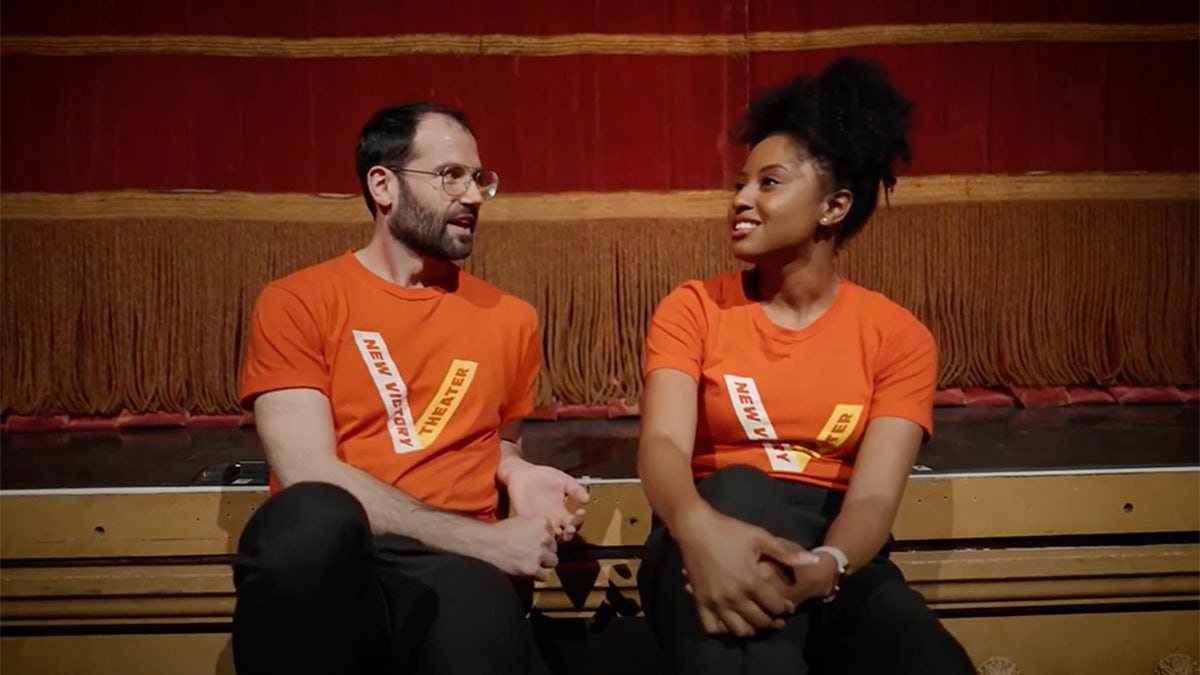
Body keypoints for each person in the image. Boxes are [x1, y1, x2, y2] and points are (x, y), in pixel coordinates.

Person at [635, 57, 975, 674]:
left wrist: (828, 567)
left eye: (769, 183)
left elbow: (872, 499)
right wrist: (697, 529)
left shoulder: (899, 336)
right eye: (740, 183)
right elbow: (660, 443)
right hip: (705, 535)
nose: (740, 198)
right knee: (742, 488)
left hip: (828, 553)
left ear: (833, 206)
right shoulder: (693, 307)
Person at [230, 101, 588, 675]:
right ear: (383, 185)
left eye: (479, 179)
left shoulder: (509, 317)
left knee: (478, 621)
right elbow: (309, 474)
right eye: (450, 176)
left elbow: (496, 439)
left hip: (458, 569)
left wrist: (518, 473)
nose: (472, 196)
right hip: (344, 561)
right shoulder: (298, 302)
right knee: (308, 518)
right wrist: (485, 541)